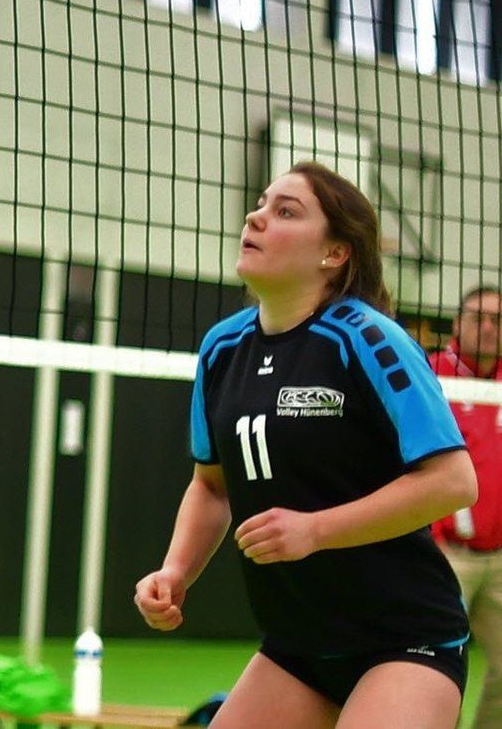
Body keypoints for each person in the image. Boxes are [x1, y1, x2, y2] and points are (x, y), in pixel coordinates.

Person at [134, 163, 476, 728]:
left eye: (285, 211)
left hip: (405, 640)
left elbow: (453, 481)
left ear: (334, 254)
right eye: (262, 203)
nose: (256, 216)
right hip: (298, 645)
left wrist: (315, 530)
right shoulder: (222, 347)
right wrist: (175, 572)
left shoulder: (368, 338)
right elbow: (211, 486)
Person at [431, 283, 502, 727]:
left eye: (498, 320)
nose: (489, 328)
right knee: (434, 669)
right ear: (458, 324)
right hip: (444, 555)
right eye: (479, 317)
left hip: (500, 559)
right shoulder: (432, 373)